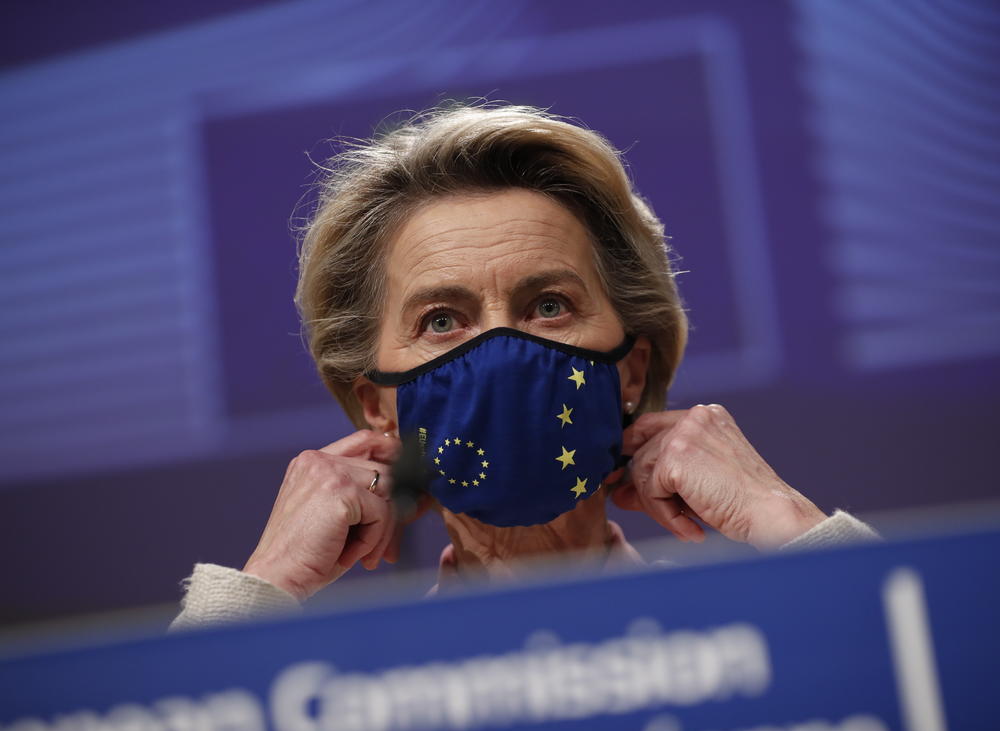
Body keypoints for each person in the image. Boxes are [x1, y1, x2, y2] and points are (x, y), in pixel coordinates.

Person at [171, 104, 877, 629]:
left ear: (629, 373)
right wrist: (258, 595)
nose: (504, 354)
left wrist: (787, 524)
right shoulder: (334, 703)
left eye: (548, 306)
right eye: (442, 321)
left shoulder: (751, 648)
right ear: (380, 406)